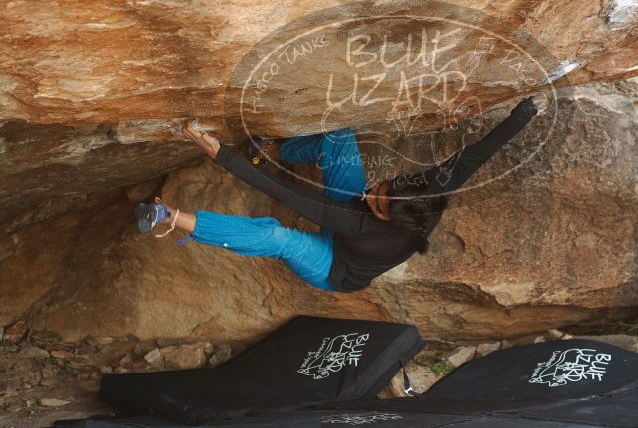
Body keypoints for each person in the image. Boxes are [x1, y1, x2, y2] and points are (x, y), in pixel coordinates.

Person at [135, 96, 539, 292]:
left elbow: (285, 194)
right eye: (381, 189)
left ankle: (172, 219)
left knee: (279, 236)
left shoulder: (360, 222)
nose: (372, 193)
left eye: (376, 201)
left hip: (334, 269)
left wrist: (220, 153)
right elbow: (478, 154)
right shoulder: (427, 193)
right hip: (354, 229)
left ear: (383, 217)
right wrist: (523, 114)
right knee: (340, 137)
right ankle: (275, 150)